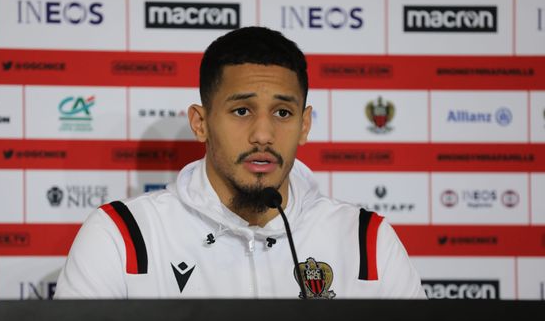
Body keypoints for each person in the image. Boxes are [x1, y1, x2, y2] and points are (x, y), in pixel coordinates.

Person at [54, 26, 426, 299]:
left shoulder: (367, 241)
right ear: (200, 122)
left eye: (282, 112)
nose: (263, 134)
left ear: (305, 125)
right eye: (242, 110)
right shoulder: (122, 237)